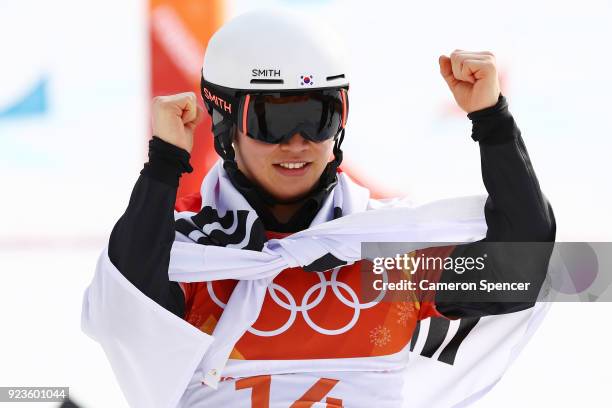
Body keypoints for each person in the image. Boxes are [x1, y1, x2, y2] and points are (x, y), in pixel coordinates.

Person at [97, 9, 555, 407]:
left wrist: (493, 121)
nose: (297, 142)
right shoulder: (194, 249)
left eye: (319, 116)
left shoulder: (387, 252)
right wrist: (164, 163)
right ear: (224, 120)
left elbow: (527, 270)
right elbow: (128, 302)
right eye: (272, 119)